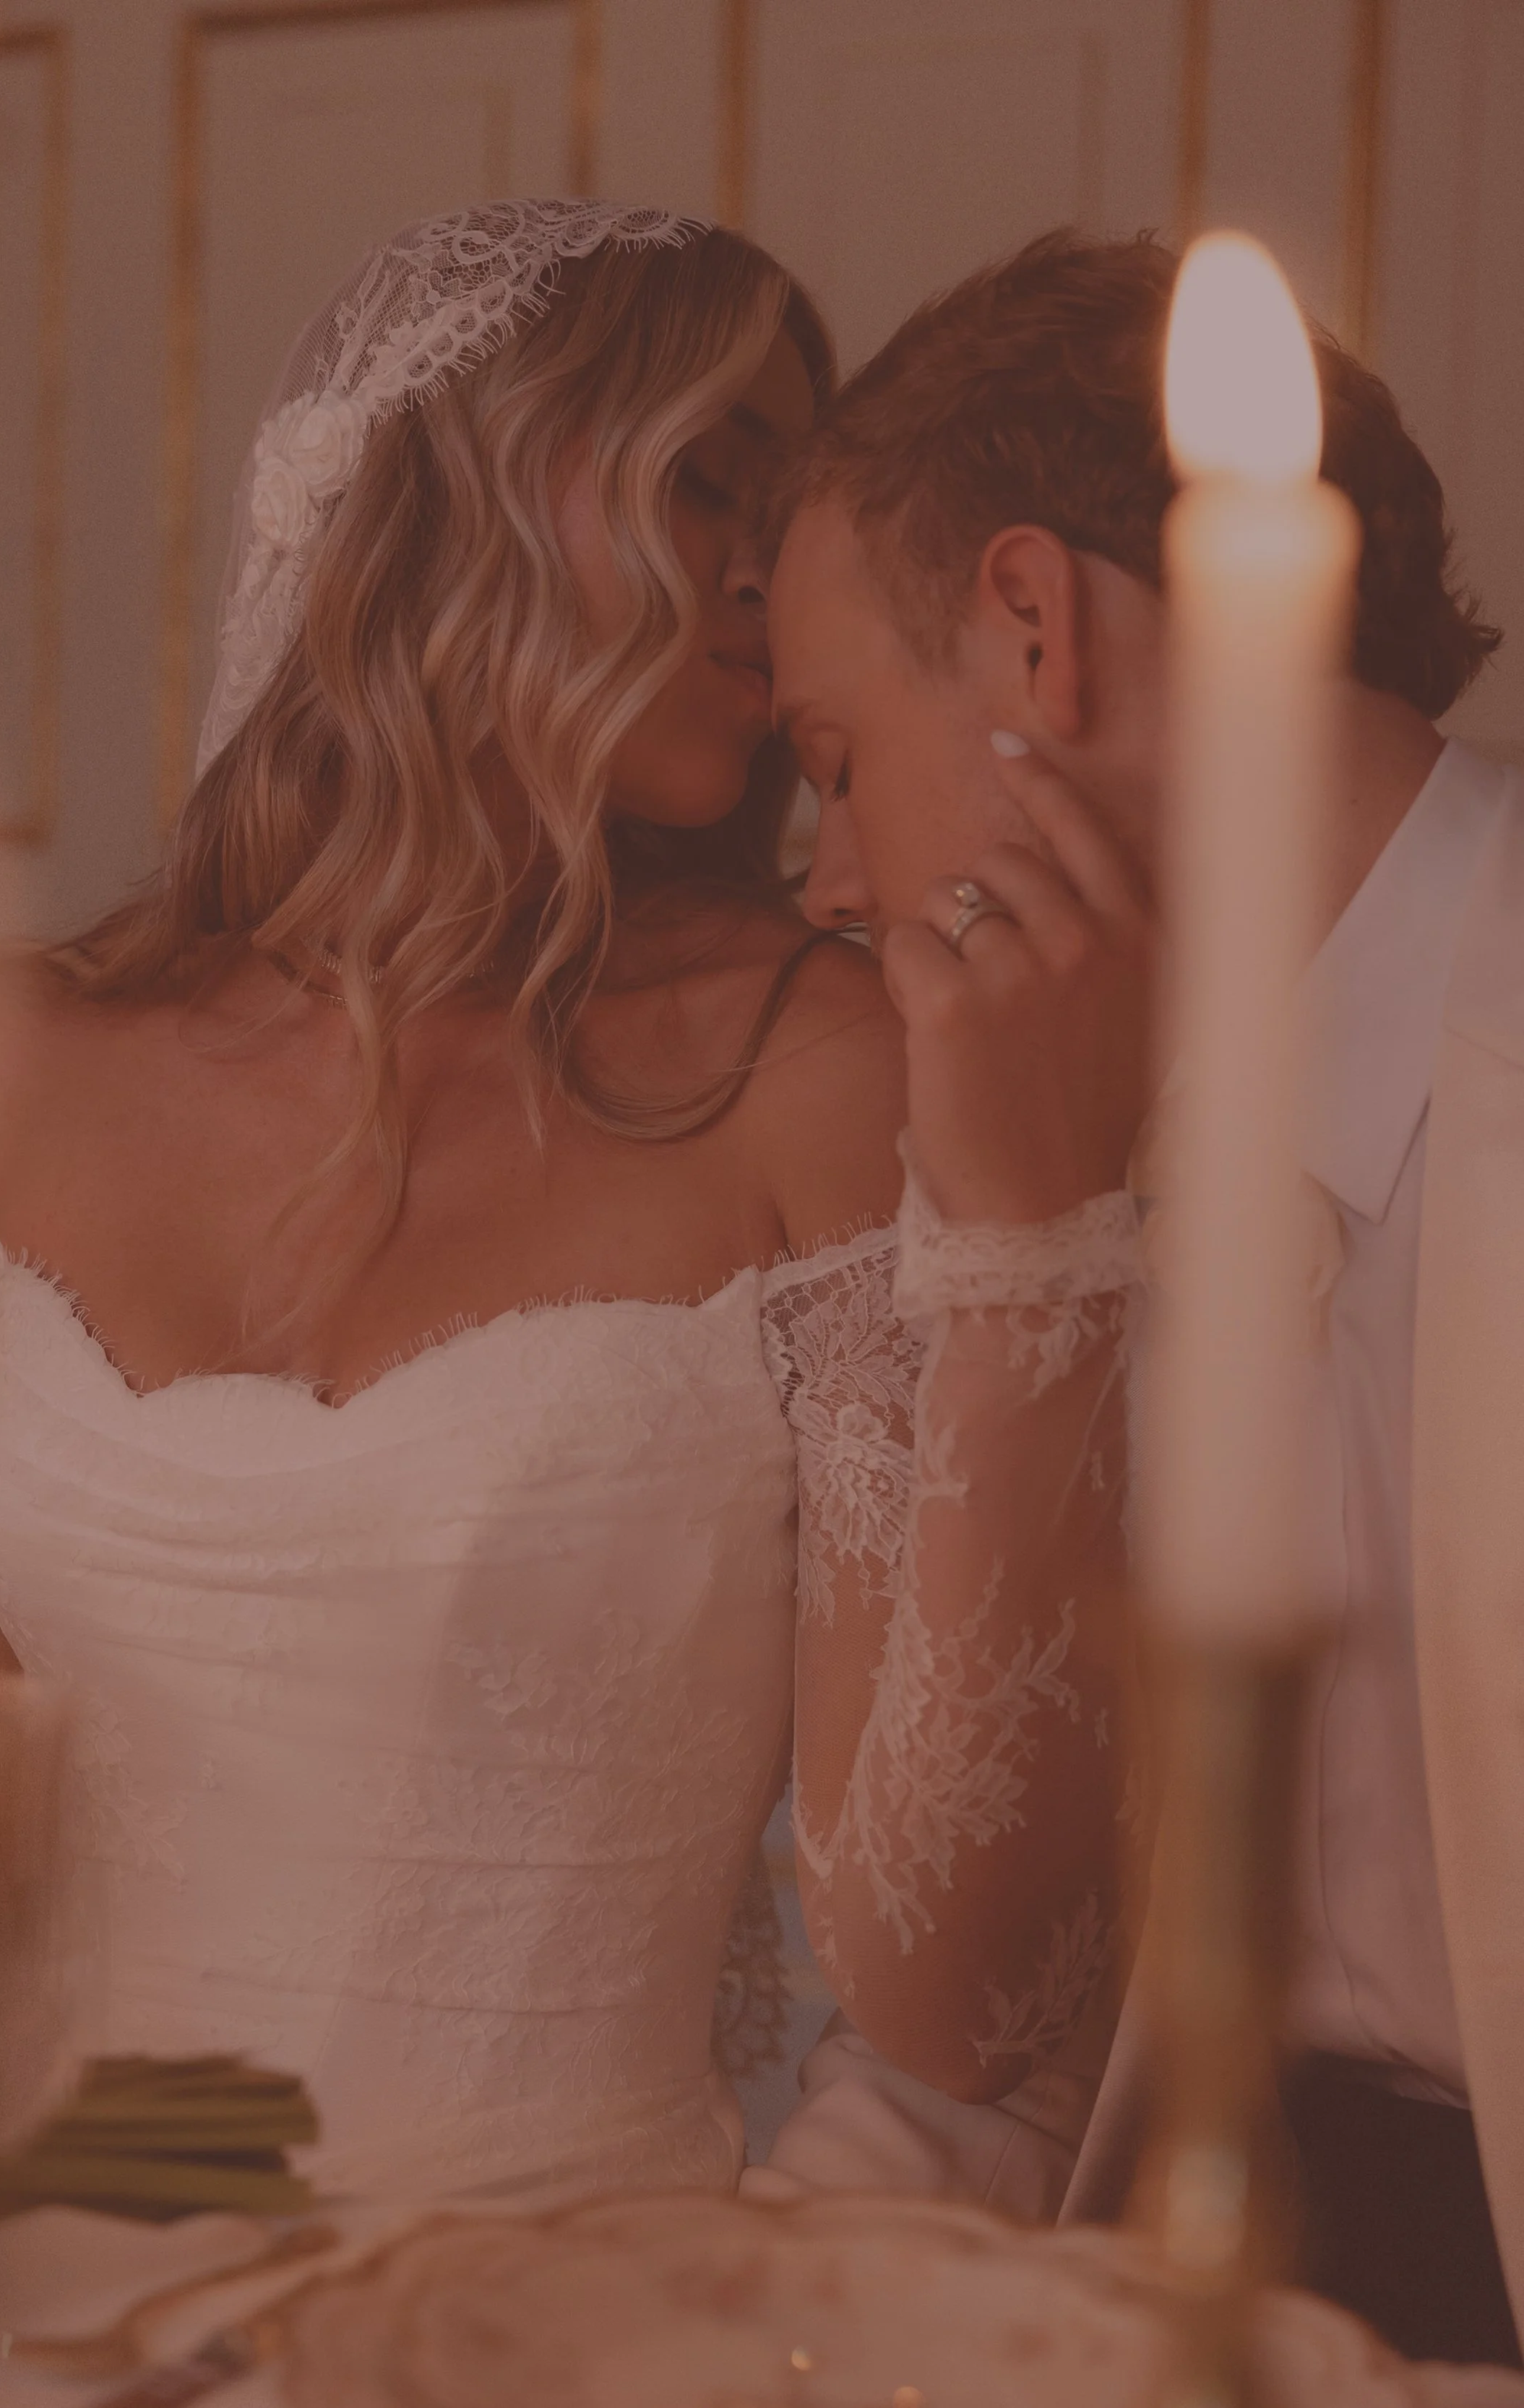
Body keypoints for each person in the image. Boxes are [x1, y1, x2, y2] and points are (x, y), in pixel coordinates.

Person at [0, 201, 1130, 2214]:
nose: (761, 565)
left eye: (785, 502)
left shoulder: (819, 1070)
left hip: (573, 2319)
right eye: (696, 476)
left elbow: (969, 1976)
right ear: (429, 511)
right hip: (44, 2289)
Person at [763, 227, 1521, 2368]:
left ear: (1029, 623)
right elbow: (941, 2018)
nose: (822, 881)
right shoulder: (1026, 1138)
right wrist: (1027, 1251)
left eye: (832, 759)